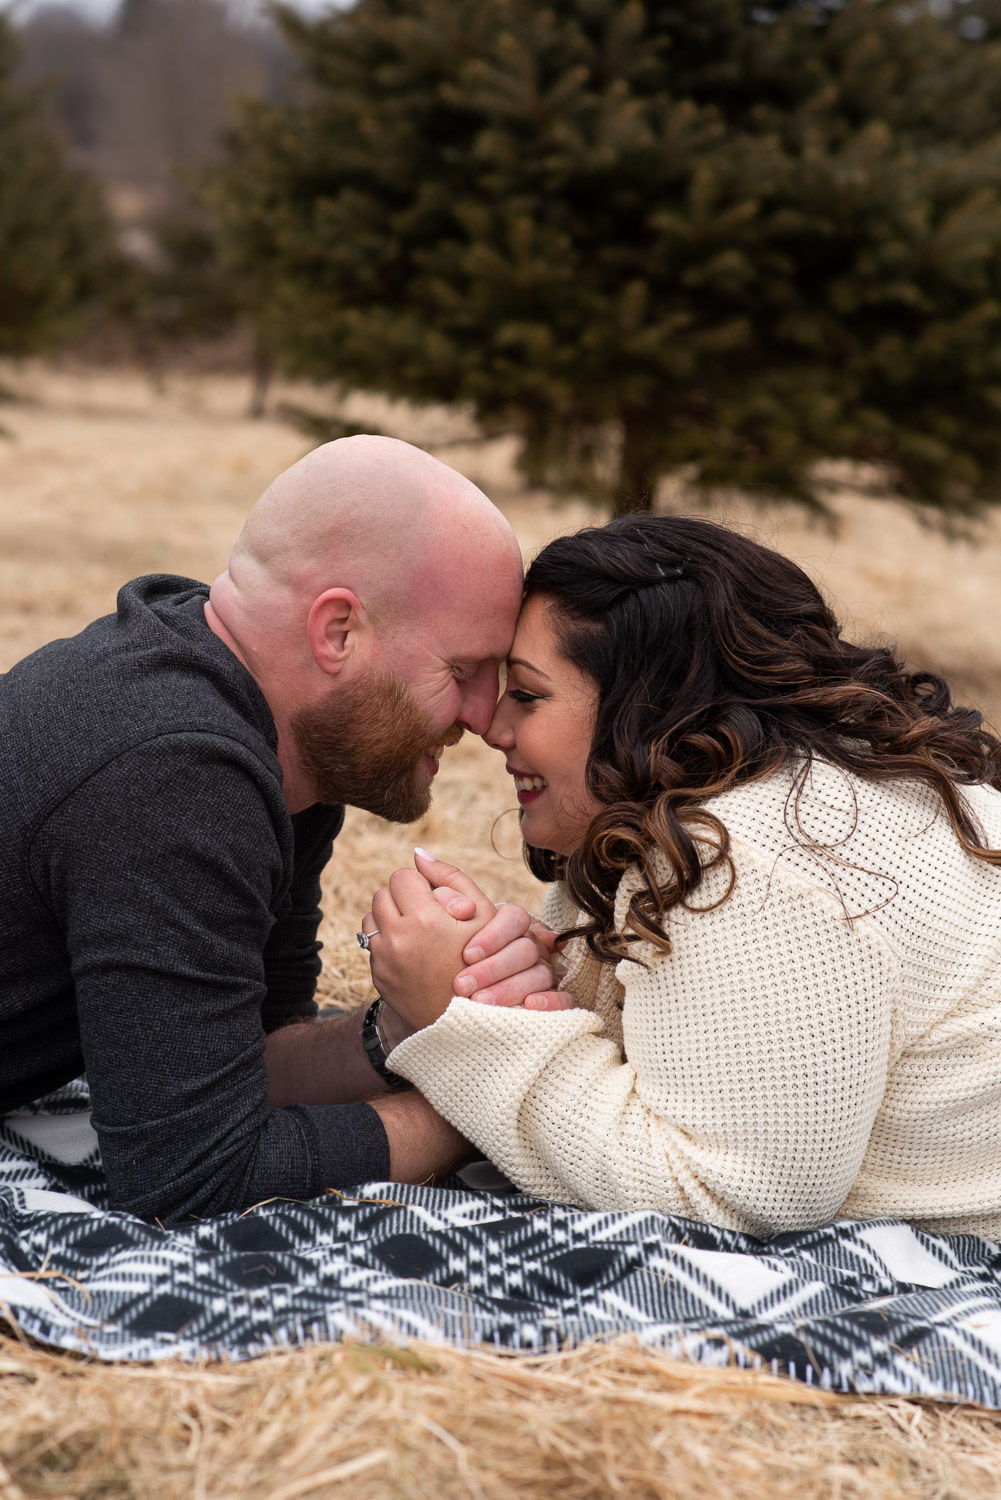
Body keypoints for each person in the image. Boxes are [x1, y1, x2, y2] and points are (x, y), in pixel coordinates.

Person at [363, 514, 1001, 1241]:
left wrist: (465, 1018)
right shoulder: (758, 799)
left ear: (648, 707)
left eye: (529, 695)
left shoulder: (751, 859)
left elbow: (732, 1198)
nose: (492, 726)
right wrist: (527, 986)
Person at [0, 435, 545, 1222]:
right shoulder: (176, 773)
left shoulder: (282, 735)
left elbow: (259, 1049)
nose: (486, 718)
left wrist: (406, 1030)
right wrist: (490, 1108)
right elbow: (190, 1184)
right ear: (337, 633)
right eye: (462, 672)